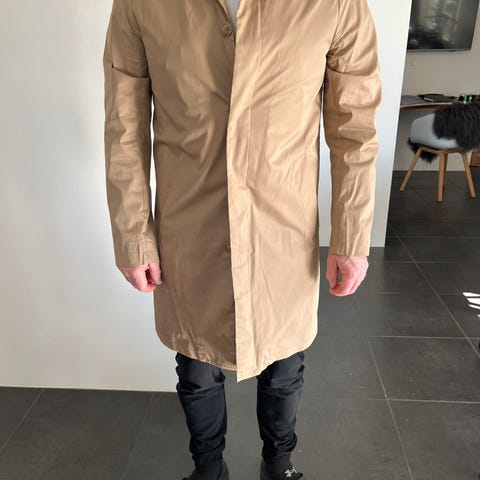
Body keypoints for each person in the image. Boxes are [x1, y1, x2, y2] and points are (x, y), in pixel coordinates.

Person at [103, 0, 381, 479]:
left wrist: (352, 235)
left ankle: (279, 463)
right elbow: (123, 127)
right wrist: (133, 235)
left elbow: (354, 130)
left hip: (283, 227)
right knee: (195, 364)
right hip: (190, 223)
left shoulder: (336, 4)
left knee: (285, 359)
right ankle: (208, 469)